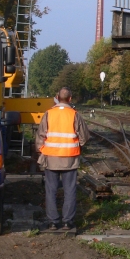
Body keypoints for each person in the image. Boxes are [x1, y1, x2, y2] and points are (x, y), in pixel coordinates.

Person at [36, 87, 89, 230]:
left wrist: (43, 150)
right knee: (70, 190)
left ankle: (53, 222)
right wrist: (77, 147)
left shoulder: (48, 114)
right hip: (70, 159)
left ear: (56, 97)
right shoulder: (74, 115)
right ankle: (67, 222)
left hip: (51, 158)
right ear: (70, 99)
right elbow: (84, 137)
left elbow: (40, 136)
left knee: (51, 190)